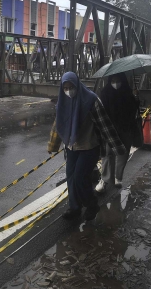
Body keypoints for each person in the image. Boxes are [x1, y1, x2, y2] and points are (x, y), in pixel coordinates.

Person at [48, 72, 126, 221]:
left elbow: (105, 126)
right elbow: (59, 125)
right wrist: (53, 145)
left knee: (79, 178)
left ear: (77, 85)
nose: (69, 90)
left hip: (89, 146)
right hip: (71, 147)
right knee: (70, 178)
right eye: (65, 87)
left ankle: (91, 204)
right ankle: (74, 208)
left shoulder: (91, 101)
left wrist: (117, 148)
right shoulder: (64, 101)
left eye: (71, 87)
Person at [95, 73, 139, 192]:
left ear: (123, 81)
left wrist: (136, 99)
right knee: (107, 155)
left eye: (118, 80)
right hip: (110, 130)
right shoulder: (105, 93)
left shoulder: (128, 93)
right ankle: (105, 179)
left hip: (126, 128)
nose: (115, 83)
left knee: (123, 153)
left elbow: (133, 112)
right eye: (113, 80)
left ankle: (118, 177)